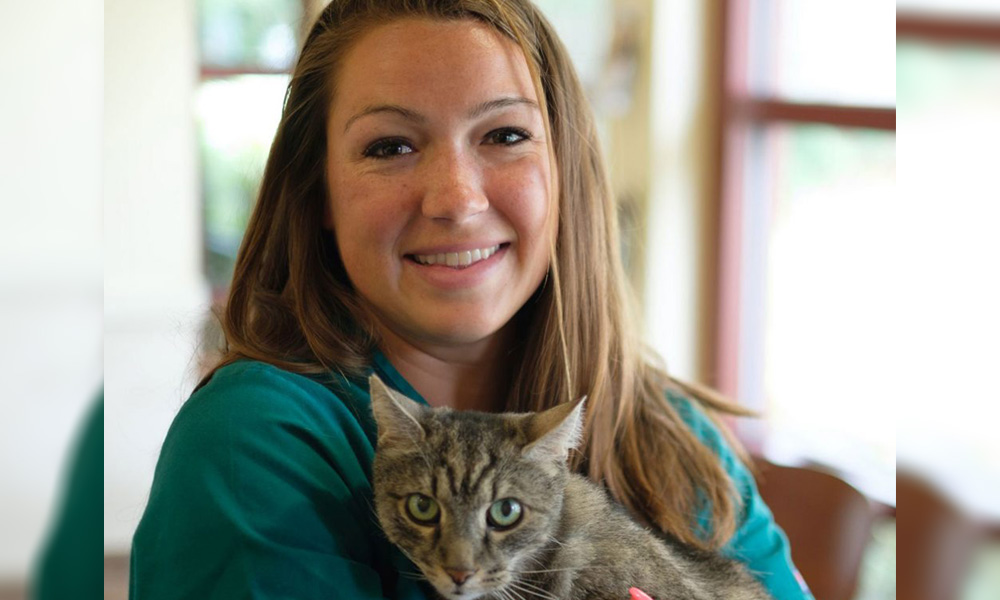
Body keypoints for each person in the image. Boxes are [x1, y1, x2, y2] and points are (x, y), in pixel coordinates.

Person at [130, 1, 814, 598]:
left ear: (565, 173)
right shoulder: (256, 446)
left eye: (505, 135)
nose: (456, 199)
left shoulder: (669, 436)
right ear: (319, 194)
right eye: (391, 145)